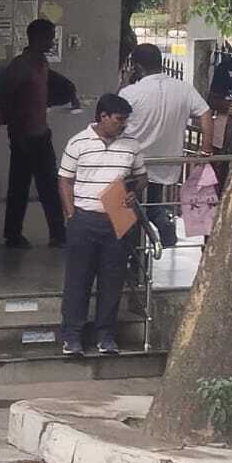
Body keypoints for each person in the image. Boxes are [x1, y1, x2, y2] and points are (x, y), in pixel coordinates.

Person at [57, 94, 146, 357]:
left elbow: (142, 177)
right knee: (78, 281)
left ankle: (105, 336)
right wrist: (71, 214)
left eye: (126, 120)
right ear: (103, 116)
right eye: (119, 119)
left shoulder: (131, 145)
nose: (123, 124)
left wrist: (133, 191)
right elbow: (65, 180)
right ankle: (72, 336)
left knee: (112, 281)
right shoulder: (78, 143)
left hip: (117, 219)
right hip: (84, 218)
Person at [119, 43, 215, 249]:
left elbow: (116, 116)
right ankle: (162, 223)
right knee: (153, 204)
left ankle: (136, 257)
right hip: (166, 163)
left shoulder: (130, 93)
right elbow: (205, 113)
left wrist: (125, 82)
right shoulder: (183, 88)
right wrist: (205, 149)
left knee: (129, 211)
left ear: (137, 67)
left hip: (134, 166)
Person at [0, 18, 67, 249]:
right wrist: (15, 128)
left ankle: (57, 233)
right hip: (25, 135)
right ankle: (14, 234)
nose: (52, 42)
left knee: (46, 185)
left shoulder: (41, 63)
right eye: (49, 37)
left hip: (40, 132)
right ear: (38, 38)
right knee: (22, 186)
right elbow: (6, 96)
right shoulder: (21, 66)